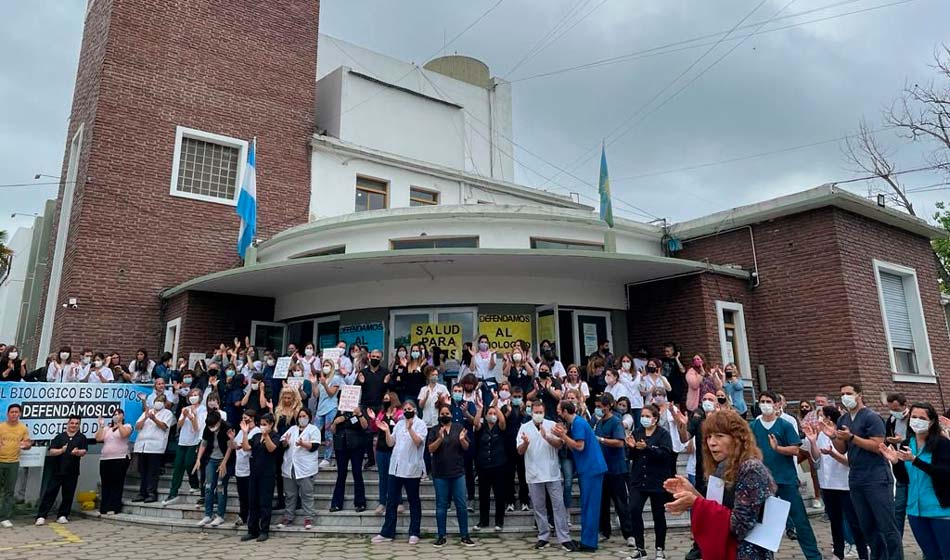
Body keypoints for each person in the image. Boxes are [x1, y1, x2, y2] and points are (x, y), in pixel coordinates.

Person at [664, 409, 776, 559]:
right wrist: (692, 494)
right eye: (708, 437)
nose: (712, 442)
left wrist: (696, 503)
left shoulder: (751, 469)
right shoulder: (721, 468)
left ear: (737, 438)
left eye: (719, 436)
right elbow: (718, 507)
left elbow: (740, 526)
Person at [827, 383, 902, 560]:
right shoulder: (843, 420)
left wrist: (852, 437)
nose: (846, 397)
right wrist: (833, 436)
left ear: (859, 394)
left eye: (849, 393)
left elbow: (878, 446)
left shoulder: (871, 417)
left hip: (876, 478)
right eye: (843, 394)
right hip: (856, 478)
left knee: (886, 526)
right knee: (867, 526)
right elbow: (843, 448)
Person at [750, 391, 821, 559]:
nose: (765, 404)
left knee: (800, 520)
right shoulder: (753, 426)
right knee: (764, 523)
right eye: (762, 401)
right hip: (764, 482)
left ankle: (813, 556)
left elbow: (796, 450)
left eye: (768, 401)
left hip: (786, 479)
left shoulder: (785, 425)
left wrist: (778, 449)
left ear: (776, 405)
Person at [879, 402, 950, 560]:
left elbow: (945, 474)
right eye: (914, 417)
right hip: (915, 511)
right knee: (931, 555)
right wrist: (896, 463)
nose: (917, 420)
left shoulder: (942, 443)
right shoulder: (906, 444)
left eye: (922, 418)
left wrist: (915, 460)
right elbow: (904, 478)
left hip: (940, 510)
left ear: (931, 422)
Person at [802, 405, 869, 560]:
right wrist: (812, 442)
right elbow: (817, 459)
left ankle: (863, 551)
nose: (817, 419)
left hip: (844, 484)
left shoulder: (841, 433)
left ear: (829, 418)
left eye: (820, 415)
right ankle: (838, 551)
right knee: (835, 521)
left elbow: (848, 461)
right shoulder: (819, 435)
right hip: (827, 484)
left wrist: (832, 454)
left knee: (854, 521)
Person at [518, 401, 575, 551]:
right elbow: (519, 451)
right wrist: (525, 443)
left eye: (540, 412)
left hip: (552, 473)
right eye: (535, 412)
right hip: (533, 473)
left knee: (558, 506)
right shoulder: (524, 427)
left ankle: (564, 537)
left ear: (544, 412)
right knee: (539, 507)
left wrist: (546, 437)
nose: (538, 415)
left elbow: (559, 444)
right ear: (531, 413)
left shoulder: (552, 425)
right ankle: (543, 536)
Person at [552, 399, 606, 552]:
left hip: (592, 468)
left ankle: (589, 543)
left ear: (565, 411)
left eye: (559, 410)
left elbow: (579, 446)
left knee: (591, 506)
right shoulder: (576, 423)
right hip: (588, 469)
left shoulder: (579, 423)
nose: (557, 412)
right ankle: (587, 540)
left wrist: (563, 436)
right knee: (587, 504)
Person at [373, 399, 427, 544]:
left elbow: (418, 442)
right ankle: (387, 533)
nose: (407, 411)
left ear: (415, 410)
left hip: (411, 469)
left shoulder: (420, 424)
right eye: (405, 408)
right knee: (391, 501)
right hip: (395, 467)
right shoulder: (398, 424)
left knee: (413, 500)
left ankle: (414, 532)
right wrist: (386, 431)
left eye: (409, 408)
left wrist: (410, 429)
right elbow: (391, 443)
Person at [625, 404, 674, 559]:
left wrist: (647, 448)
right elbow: (631, 455)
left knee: (658, 514)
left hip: (657, 480)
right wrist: (631, 448)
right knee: (634, 509)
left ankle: (660, 548)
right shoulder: (638, 432)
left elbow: (665, 455)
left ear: (655, 419)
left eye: (648, 416)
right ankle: (640, 548)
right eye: (643, 416)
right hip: (639, 479)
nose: (644, 419)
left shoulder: (663, 434)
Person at [427, 404, 475, 547]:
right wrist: (440, 439)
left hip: (457, 472)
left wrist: (462, 439)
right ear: (439, 415)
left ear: (451, 414)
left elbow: (466, 447)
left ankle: (465, 535)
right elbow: (430, 448)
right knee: (441, 505)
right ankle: (441, 536)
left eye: (447, 413)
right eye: (442, 413)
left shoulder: (459, 427)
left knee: (461, 505)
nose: (445, 415)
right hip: (440, 473)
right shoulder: (435, 430)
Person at [590, 393, 634, 545]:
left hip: (616, 468)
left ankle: (629, 534)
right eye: (596, 407)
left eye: (600, 407)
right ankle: (604, 531)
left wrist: (602, 440)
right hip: (602, 469)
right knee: (603, 503)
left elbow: (620, 442)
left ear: (608, 406)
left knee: (621, 503)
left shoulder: (616, 422)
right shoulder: (599, 422)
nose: (598, 410)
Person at [35, 415, 87, 525]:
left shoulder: (81, 437)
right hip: (57, 471)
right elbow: (51, 451)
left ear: (79, 425)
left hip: (72, 472)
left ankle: (63, 515)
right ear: (68, 423)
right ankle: (41, 516)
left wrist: (78, 452)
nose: (74, 425)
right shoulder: (59, 437)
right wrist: (61, 450)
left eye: (76, 423)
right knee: (50, 493)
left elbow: (84, 451)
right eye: (72, 423)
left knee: (68, 494)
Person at [277, 407, 321, 530]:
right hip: (290, 467)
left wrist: (303, 444)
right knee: (290, 494)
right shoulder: (292, 429)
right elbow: (283, 443)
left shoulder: (314, 430)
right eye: (300, 416)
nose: (302, 418)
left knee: (307, 494)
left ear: (309, 417)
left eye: (304, 416)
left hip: (305, 467)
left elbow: (314, 446)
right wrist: (285, 442)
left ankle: (308, 518)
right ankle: (288, 517)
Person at [164, 388, 205, 505]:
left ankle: (195, 484)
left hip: (195, 441)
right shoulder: (185, 409)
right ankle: (173, 492)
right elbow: (179, 425)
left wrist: (192, 418)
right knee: (178, 466)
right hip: (183, 440)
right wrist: (185, 415)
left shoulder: (203, 410)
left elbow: (197, 428)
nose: (193, 397)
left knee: (189, 463)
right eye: (191, 395)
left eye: (196, 395)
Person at [242, 412, 278, 542]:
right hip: (254, 473)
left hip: (267, 475)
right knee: (253, 503)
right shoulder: (256, 436)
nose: (262, 426)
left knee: (265, 503)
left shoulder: (274, 436)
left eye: (265, 424)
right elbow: (246, 448)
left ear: (271, 425)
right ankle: (252, 530)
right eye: (261, 424)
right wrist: (245, 433)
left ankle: (264, 530)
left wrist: (266, 435)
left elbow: (271, 449)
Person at [474, 396, 508, 531]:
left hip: (499, 465)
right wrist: (481, 408)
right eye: (490, 414)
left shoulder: (500, 428)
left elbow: (503, 421)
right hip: (483, 466)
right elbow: (476, 423)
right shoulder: (481, 428)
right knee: (483, 495)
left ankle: (499, 521)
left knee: (499, 494)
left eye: (494, 414)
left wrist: (495, 406)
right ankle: (483, 521)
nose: (492, 416)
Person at [194, 409, 233, 527]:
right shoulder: (208, 428)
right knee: (208, 486)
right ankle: (207, 515)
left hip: (224, 459)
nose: (212, 428)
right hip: (211, 459)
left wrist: (224, 463)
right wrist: (198, 459)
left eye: (214, 425)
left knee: (220, 487)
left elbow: (230, 447)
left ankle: (220, 515)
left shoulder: (227, 427)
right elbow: (204, 443)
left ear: (219, 421)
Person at [133, 394, 173, 503]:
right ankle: (142, 493)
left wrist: (154, 419)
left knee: (152, 472)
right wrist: (146, 417)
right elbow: (137, 426)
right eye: (157, 400)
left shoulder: (167, 413)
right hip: (142, 445)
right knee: (142, 471)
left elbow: (164, 426)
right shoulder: (147, 411)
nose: (158, 403)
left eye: (161, 401)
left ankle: (151, 493)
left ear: (164, 404)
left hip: (155, 447)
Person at [329, 404, 368, 512]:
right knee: (341, 474)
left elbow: (365, 426)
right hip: (341, 445)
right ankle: (336, 503)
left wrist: (359, 414)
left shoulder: (359, 409)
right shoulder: (339, 411)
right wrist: (336, 422)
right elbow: (332, 430)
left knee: (357, 473)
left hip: (356, 445)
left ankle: (360, 502)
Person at [884, 392, 911, 542]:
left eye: (896, 408)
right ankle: (896, 544)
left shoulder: (914, 418)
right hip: (900, 470)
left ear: (904, 405)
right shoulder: (891, 420)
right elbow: (889, 441)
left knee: (917, 512)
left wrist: (903, 440)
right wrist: (890, 442)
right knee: (898, 509)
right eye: (891, 408)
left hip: (915, 468)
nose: (894, 411)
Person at [372, 392, 403, 515]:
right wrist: (374, 419)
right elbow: (375, 428)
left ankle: (398, 501)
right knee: (383, 476)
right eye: (384, 399)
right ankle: (382, 502)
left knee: (396, 476)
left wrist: (394, 418)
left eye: (387, 399)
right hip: (381, 448)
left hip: (394, 449)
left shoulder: (399, 413)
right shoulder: (382, 413)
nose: (385, 401)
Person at [95, 408, 131, 516]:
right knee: (106, 483)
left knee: (117, 483)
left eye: (119, 414)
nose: (116, 416)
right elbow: (98, 438)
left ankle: (114, 507)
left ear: (123, 416)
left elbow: (124, 434)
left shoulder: (127, 426)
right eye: (115, 414)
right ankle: (104, 508)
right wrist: (101, 426)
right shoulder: (107, 428)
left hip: (120, 458)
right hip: (106, 458)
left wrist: (119, 423)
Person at [0, 404, 31, 527]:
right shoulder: (1, 427)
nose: (14, 414)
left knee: (9, 491)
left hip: (13, 462)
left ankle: (4, 517)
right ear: (7, 414)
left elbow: (27, 444)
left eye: (16, 412)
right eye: (12, 412)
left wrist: (27, 445)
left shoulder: (23, 428)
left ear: (20, 414)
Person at [273, 386, 301, 511]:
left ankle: (297, 500)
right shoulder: (278, 410)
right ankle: (280, 499)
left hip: (292, 443)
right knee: (279, 473)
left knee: (293, 472)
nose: (286, 400)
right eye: (284, 397)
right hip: (280, 442)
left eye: (289, 397)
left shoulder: (297, 410)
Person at [313, 359, 343, 468]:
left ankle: (327, 458)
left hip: (331, 408)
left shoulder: (336, 378)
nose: (325, 367)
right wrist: (314, 383)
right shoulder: (322, 378)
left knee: (328, 434)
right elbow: (316, 395)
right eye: (324, 365)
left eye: (327, 365)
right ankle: (312, 454)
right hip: (320, 409)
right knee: (314, 431)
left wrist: (325, 384)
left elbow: (331, 394)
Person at [232, 410, 258, 529]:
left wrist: (243, 439)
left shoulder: (256, 431)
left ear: (252, 418)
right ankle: (243, 515)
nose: (244, 420)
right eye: (243, 418)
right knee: (242, 494)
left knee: (250, 495)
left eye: (247, 418)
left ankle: (252, 517)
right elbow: (235, 445)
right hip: (240, 468)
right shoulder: (241, 431)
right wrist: (233, 439)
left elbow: (247, 447)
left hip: (250, 468)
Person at [418, 365, 449, 430]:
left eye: (436, 375)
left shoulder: (442, 388)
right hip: (427, 422)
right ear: (428, 376)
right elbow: (420, 406)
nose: (435, 377)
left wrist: (441, 400)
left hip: (439, 422)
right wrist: (426, 397)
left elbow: (448, 404)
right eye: (433, 375)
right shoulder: (423, 389)